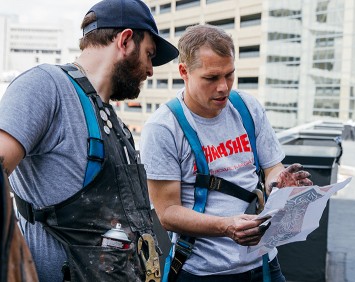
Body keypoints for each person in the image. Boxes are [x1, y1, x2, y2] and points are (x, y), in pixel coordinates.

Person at [0, 0, 179, 281]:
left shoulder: (114, 123)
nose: (150, 69)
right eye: (149, 54)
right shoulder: (45, 87)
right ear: (125, 40)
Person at [140, 24, 313, 281]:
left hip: (264, 262)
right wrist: (225, 226)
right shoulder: (164, 127)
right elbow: (168, 213)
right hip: (205, 272)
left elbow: (271, 167)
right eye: (211, 78)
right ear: (184, 72)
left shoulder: (247, 108)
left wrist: (278, 183)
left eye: (229, 75)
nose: (223, 87)